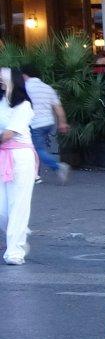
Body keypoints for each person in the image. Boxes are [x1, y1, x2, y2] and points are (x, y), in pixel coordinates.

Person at [0, 68, 36, 265]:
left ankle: (15, 251)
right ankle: (20, 231)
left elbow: (7, 134)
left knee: (18, 205)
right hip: (2, 156)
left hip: (20, 157)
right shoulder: (1, 103)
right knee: (2, 209)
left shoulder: (24, 106)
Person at [21, 64, 71, 184]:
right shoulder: (47, 87)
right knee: (37, 149)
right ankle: (35, 175)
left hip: (35, 123)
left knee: (37, 150)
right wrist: (62, 122)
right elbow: (58, 107)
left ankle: (58, 167)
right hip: (48, 123)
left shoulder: (25, 87)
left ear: (24, 74)